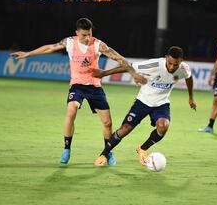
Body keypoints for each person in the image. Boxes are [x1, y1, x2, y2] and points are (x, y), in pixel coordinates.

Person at [11, 17, 146, 165]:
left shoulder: (98, 45)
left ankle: (108, 152)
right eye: (84, 35)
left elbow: (120, 59)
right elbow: (50, 47)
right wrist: (28, 54)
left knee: (107, 123)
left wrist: (133, 73)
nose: (88, 38)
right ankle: (66, 149)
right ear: (77, 33)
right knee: (71, 110)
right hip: (77, 85)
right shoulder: (69, 42)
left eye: (89, 34)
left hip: (94, 86)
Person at [92, 46, 197, 167]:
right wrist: (104, 73)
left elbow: (189, 78)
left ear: (181, 61)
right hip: (142, 101)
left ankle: (142, 149)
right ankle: (104, 154)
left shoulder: (184, 69)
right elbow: (129, 67)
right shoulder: (154, 65)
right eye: (170, 63)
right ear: (166, 58)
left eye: (176, 65)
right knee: (125, 129)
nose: (172, 67)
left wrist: (190, 97)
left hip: (161, 103)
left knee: (163, 126)